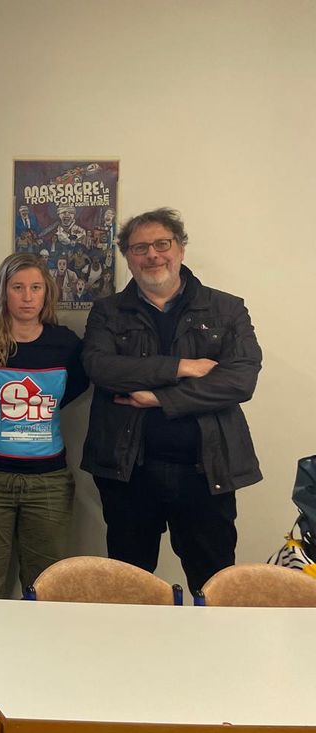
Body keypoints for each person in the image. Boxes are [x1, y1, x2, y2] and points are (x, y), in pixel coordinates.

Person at [82, 207, 262, 593]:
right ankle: (134, 653)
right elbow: (101, 368)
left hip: (206, 472)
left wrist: (161, 400)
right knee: (130, 585)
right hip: (128, 472)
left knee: (213, 583)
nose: (152, 255)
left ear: (180, 248)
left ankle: (212, 654)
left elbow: (240, 381)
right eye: (140, 247)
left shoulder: (227, 309)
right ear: (127, 257)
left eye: (162, 244)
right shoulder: (107, 312)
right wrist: (182, 366)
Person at [0, 252, 89, 599]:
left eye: (35, 287)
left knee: (45, 589)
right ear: (3, 291)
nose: (27, 297)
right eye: (17, 287)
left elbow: (73, 390)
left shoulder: (66, 344)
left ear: (47, 293)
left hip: (49, 481)